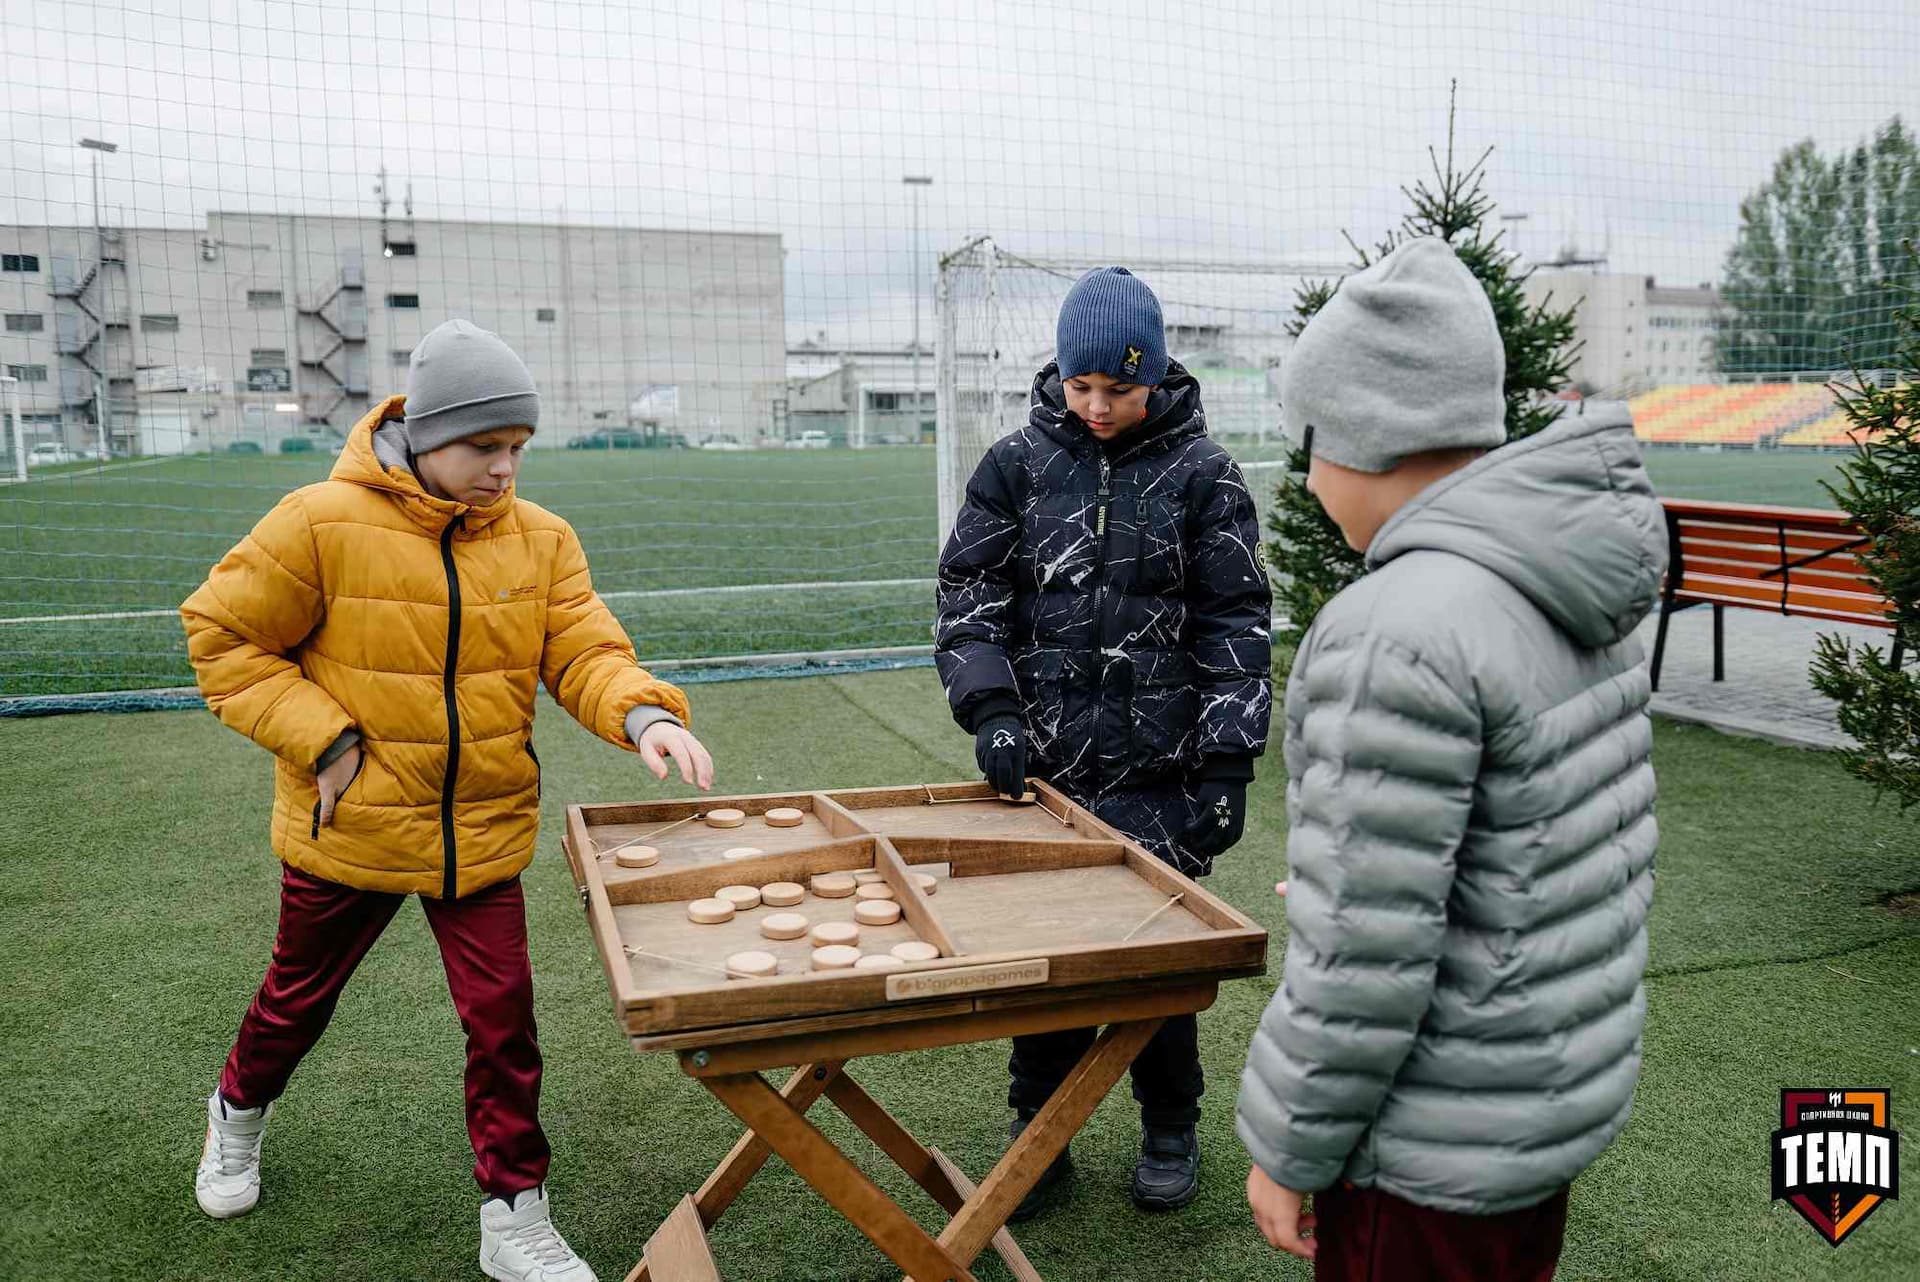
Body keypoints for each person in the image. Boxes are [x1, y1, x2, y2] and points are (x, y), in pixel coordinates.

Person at [182, 319, 714, 1282]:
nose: (505, 469)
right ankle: (236, 1116)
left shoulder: (542, 540)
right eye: (484, 447)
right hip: (353, 825)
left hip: (482, 831)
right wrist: (326, 737)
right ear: (422, 435)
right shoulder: (315, 521)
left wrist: (642, 717)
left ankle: (514, 1218)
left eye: (518, 448)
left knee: (503, 1021)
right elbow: (222, 641)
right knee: (296, 1002)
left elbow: (585, 651)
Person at [1237, 237, 1665, 1281]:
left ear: (1367, 435)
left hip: (1425, 1153)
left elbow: (1364, 959)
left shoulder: (1392, 626)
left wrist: (1286, 1149)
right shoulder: (1552, 577)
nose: (1306, 472)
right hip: (1535, 1110)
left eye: (1312, 440)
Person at [936, 266, 1272, 1216]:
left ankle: (1171, 1126)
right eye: (1082, 386)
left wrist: (1227, 760)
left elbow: (1236, 619)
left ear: (1157, 377)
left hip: (1161, 776)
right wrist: (994, 711)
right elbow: (970, 598)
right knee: (1047, 967)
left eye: (1119, 390)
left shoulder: (1205, 475)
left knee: (1153, 970)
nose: (1096, 406)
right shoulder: (1016, 464)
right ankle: (1038, 1131)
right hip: (1045, 775)